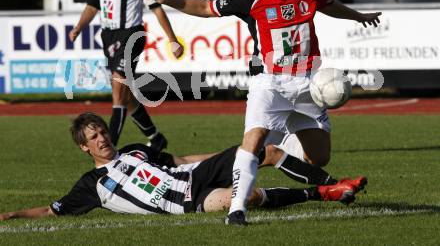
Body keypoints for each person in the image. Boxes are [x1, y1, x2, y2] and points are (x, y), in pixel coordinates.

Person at [145, 0, 380, 225]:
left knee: (318, 157)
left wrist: (359, 17)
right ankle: (237, 210)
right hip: (269, 83)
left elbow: (329, 5)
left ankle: (276, 148)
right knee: (253, 140)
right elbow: (206, 8)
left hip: (308, 83)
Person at [0, 112, 367, 221]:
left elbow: (180, 161)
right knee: (246, 197)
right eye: (93, 137)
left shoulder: (132, 151)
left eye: (101, 132)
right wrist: (9, 216)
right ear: (84, 147)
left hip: (195, 176)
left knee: (264, 152)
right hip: (184, 204)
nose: (102, 139)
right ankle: (321, 193)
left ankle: (332, 182)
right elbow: (51, 209)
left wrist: (229, 156)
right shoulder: (92, 184)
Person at [69, 0, 183, 151]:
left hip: (132, 34)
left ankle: (109, 148)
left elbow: (156, 8)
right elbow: (92, 6)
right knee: (126, 95)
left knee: (118, 87)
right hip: (108, 35)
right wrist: (79, 27)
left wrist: (172, 39)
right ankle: (155, 137)